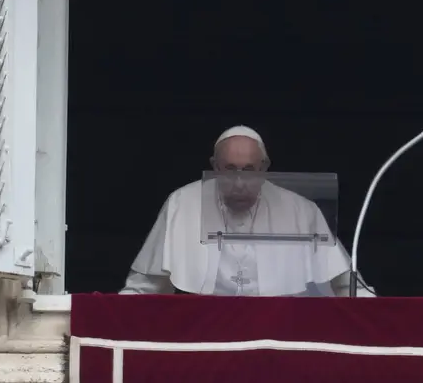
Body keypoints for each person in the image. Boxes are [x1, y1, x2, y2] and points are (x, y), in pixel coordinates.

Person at [120, 126, 375, 297]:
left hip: (278, 332)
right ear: (214, 166)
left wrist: (381, 314)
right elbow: (144, 288)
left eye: (249, 170)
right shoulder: (182, 202)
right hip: (206, 330)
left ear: (264, 168)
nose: (239, 183)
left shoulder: (300, 209)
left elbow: (346, 285)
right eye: (229, 170)